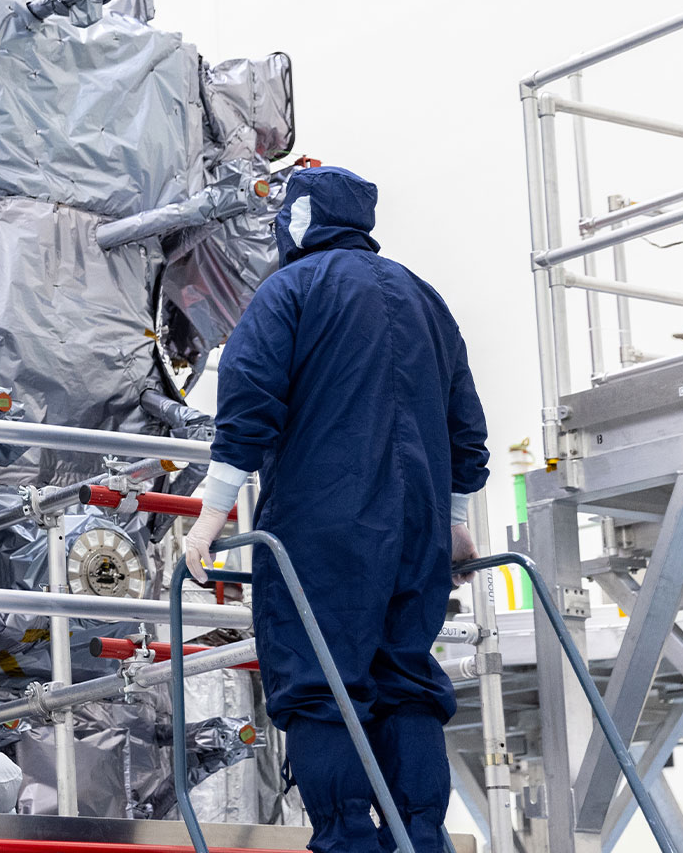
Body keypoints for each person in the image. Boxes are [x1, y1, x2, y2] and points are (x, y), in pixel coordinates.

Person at [180, 166, 488, 853]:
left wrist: (210, 518)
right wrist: (456, 520)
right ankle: (422, 838)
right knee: (407, 681)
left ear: (301, 218)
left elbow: (248, 406)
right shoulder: (425, 299)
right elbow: (467, 426)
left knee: (320, 683)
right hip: (418, 530)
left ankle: (348, 837)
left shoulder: (290, 291)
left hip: (324, 529)